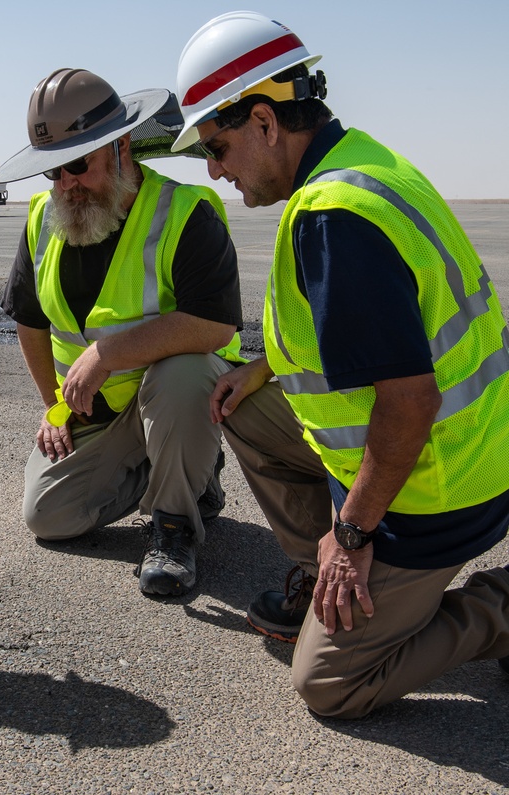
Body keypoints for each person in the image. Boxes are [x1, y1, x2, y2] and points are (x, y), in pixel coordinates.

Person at [170, 11, 509, 718]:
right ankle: (328, 578)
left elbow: (408, 401)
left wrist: (352, 533)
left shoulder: (334, 217)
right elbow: (363, 337)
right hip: (465, 447)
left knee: (328, 684)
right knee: (241, 407)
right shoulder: (358, 162)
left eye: (218, 146)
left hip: (438, 488)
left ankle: (494, 606)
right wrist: (261, 368)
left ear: (265, 121)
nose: (214, 170)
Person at [0, 68, 245, 598]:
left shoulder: (186, 213)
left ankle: (174, 526)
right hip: (99, 412)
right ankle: (176, 469)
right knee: (50, 517)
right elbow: (31, 322)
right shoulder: (43, 218)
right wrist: (53, 406)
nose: (65, 184)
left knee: (185, 371)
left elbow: (216, 324)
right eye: (52, 172)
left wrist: (108, 353)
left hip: (175, 398)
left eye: (78, 165)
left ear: (121, 146)